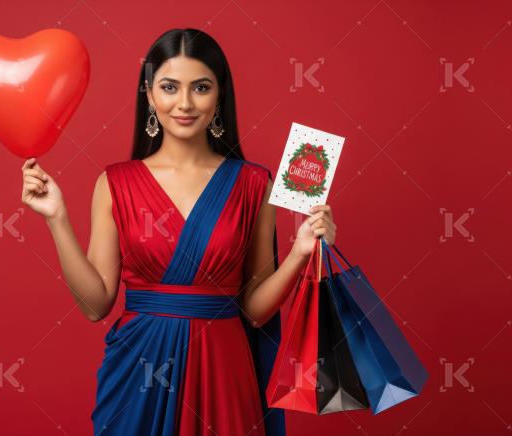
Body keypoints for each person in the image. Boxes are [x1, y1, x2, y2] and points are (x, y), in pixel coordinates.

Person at [20, 28, 336, 436]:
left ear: (219, 95)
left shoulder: (255, 184)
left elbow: (255, 311)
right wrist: (56, 218)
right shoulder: (115, 183)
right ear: (149, 95)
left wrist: (299, 252)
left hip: (225, 372)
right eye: (169, 87)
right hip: (138, 372)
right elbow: (95, 305)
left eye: (200, 87)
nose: (184, 103)